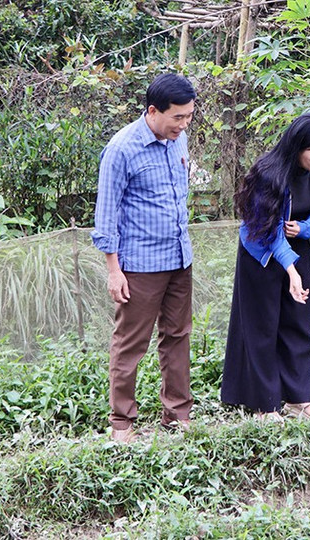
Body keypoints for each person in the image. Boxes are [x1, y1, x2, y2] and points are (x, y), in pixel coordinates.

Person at [92, 73, 197, 443]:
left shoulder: (178, 139)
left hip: (179, 258)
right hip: (139, 266)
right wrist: (113, 270)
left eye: (188, 117)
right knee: (131, 342)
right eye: (177, 118)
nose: (184, 125)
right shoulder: (122, 149)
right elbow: (106, 215)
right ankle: (122, 422)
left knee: (178, 336)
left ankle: (177, 415)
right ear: (153, 111)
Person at [221, 112, 310, 421]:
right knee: (262, 328)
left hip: (297, 248)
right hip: (261, 252)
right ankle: (265, 405)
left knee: (298, 323)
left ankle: (299, 400)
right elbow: (267, 230)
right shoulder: (268, 172)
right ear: (297, 146)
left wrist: (306, 228)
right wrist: (291, 270)